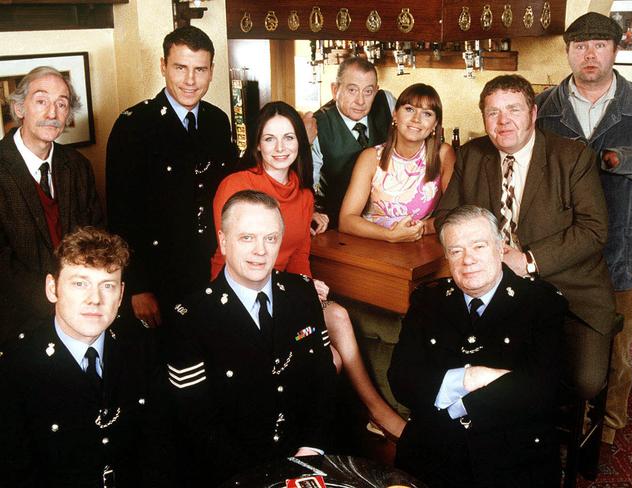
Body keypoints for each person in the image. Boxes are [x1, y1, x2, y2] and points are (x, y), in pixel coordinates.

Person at [211, 101, 406, 440]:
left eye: (289, 138)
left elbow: (300, 257)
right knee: (325, 360)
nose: (280, 148)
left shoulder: (302, 196)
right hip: (240, 298)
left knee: (339, 318)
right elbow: (235, 261)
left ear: (301, 142)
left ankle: (373, 411)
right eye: (270, 139)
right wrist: (296, 289)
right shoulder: (237, 184)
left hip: (286, 293)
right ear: (257, 144)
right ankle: (300, 438)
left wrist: (309, 285)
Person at [435, 74, 616, 400]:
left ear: (533, 114)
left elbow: (594, 230)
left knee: (584, 381)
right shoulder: (472, 155)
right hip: (498, 292)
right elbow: (446, 219)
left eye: (513, 110)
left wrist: (528, 261)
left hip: (570, 291)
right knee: (463, 362)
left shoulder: (573, 157)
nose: (503, 122)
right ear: (484, 118)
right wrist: (482, 252)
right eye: (493, 113)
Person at [165, 190, 337, 486]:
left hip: (305, 460)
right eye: (247, 238)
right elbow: (197, 422)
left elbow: (324, 381)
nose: (261, 250)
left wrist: (311, 449)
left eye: (270, 238)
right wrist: (264, 479)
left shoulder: (302, 294)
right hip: (233, 474)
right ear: (223, 241)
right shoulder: (190, 317)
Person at [389, 205, 567, 488]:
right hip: (434, 450)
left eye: (479, 246)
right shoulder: (428, 300)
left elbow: (544, 391)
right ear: (447, 256)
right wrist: (468, 378)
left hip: (512, 453)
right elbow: (401, 379)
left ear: (500, 248)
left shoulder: (542, 303)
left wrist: (457, 403)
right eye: (456, 250)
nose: (467, 260)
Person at [536, 12, 632, 445]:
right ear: (567, 52)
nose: (589, 54)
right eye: (580, 46)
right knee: (560, 339)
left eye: (599, 45)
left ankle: (609, 429)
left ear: (615, 50)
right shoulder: (544, 108)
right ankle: (560, 419)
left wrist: (621, 160)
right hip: (559, 250)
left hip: (625, 248)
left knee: (617, 351)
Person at [0, 227, 174, 487]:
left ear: (121, 294)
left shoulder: (141, 352)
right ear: (52, 288)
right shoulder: (13, 368)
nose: (95, 299)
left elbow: (160, 454)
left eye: (108, 285)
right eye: (80, 283)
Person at [106, 25, 237, 328]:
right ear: (163, 66)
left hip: (210, 268)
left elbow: (231, 188)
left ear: (211, 71)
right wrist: (137, 285)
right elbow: (121, 213)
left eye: (199, 70)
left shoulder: (217, 121)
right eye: (180, 68)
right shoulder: (134, 125)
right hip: (159, 277)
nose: (190, 81)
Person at [0, 66, 103, 346]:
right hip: (16, 324)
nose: (52, 113)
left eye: (62, 104)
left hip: (78, 318)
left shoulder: (78, 166)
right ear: (20, 108)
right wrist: (53, 299)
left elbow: (94, 237)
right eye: (41, 101)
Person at [339, 83, 455, 242]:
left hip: (418, 246)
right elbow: (346, 220)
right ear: (395, 114)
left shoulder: (443, 154)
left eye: (427, 114)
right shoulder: (371, 157)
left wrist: (421, 228)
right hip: (371, 245)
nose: (416, 119)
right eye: (409, 109)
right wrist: (390, 235)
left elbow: (454, 215)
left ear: (435, 124)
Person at [308, 56, 396, 229]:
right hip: (337, 223)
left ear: (376, 91)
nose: (361, 101)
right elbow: (307, 182)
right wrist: (310, 210)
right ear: (335, 90)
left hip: (387, 221)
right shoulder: (318, 126)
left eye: (368, 91)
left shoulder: (387, 102)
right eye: (352, 90)